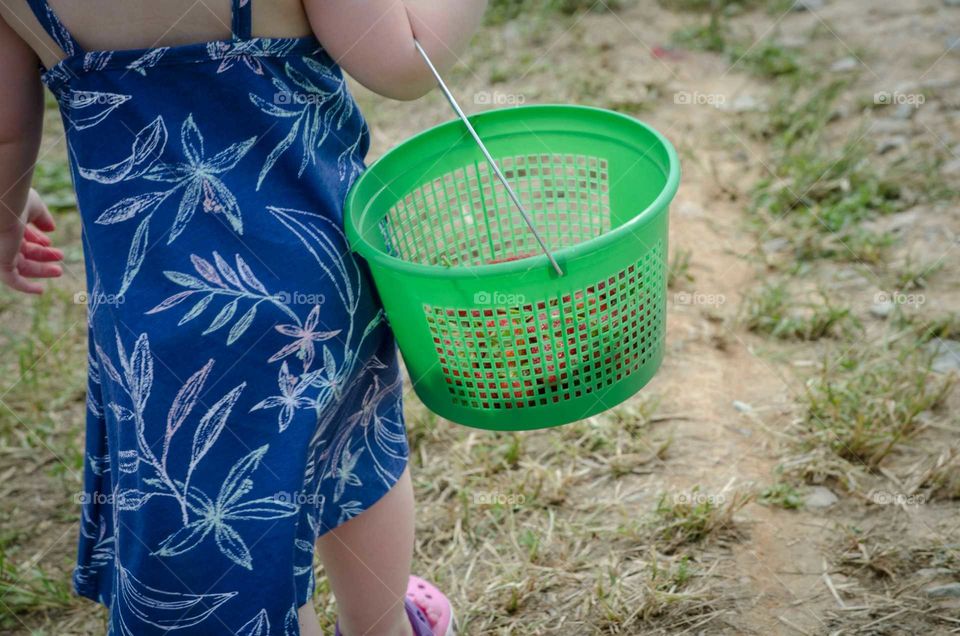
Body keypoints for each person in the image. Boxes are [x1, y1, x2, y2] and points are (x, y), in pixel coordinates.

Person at [0, 1, 487, 634]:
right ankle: (384, 625)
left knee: (241, 532)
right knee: (353, 442)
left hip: (153, 312)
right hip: (311, 274)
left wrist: (8, 213)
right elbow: (404, 59)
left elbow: (6, 129)